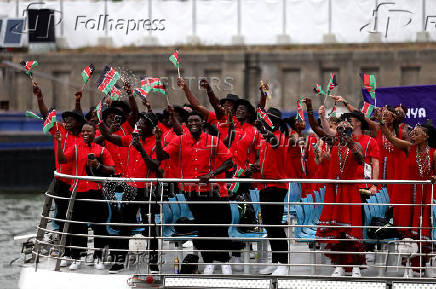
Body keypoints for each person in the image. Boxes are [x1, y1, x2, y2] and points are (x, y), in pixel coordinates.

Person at [155, 111, 234, 275]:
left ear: (203, 123)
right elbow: (162, 155)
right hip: (193, 192)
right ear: (186, 124)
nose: (193, 123)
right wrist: (157, 139)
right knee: (204, 228)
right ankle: (209, 261)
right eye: (190, 121)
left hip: (214, 192)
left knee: (219, 226)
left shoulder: (213, 140)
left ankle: (225, 260)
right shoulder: (180, 140)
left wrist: (211, 174)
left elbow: (229, 161)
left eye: (196, 120)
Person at [99, 112, 161, 273]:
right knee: (124, 225)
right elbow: (108, 136)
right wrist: (101, 121)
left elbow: (154, 166)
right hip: (130, 189)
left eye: (142, 124)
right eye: (138, 123)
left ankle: (153, 263)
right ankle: (119, 261)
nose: (139, 126)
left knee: (150, 227)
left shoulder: (157, 143)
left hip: (148, 190)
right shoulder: (132, 140)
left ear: (151, 127)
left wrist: (141, 150)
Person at [378, 121, 436, 275]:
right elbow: (391, 138)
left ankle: (421, 266)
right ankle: (408, 266)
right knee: (408, 233)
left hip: (425, 197)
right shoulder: (409, 147)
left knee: (422, 231)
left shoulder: (434, 153)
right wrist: (382, 124)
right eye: (413, 132)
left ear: (427, 137)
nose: (413, 135)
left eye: (417, 133)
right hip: (408, 196)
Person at [56, 123, 115, 270]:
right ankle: (77, 257)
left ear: (95, 133)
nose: (85, 133)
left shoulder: (101, 150)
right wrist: (58, 143)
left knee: (99, 227)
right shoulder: (75, 148)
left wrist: (98, 165)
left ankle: (98, 257)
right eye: (83, 131)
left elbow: (111, 169)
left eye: (88, 131)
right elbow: (62, 160)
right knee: (77, 226)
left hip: (96, 191)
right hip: (78, 192)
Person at [33, 82, 86, 235]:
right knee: (62, 214)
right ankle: (64, 245)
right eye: (66, 119)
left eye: (71, 120)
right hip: (62, 181)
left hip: (79, 182)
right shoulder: (60, 131)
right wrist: (40, 98)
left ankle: (77, 247)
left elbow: (80, 116)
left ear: (79, 123)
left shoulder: (84, 136)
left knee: (78, 216)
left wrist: (77, 102)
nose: (67, 122)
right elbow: (46, 116)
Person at [317, 120, 366, 277]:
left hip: (350, 192)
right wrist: (312, 111)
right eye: (340, 129)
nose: (343, 131)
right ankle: (339, 265)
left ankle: (356, 267)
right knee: (337, 231)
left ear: (352, 132)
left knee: (352, 230)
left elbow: (360, 160)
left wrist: (351, 144)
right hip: (334, 192)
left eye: (346, 129)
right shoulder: (333, 144)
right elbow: (316, 128)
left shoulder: (356, 146)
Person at [255, 107, 290, 276]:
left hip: (277, 186)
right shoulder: (264, 140)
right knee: (268, 225)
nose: (264, 121)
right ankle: (275, 261)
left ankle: (283, 263)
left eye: (267, 120)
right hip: (265, 185)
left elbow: (275, 144)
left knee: (275, 225)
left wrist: (262, 128)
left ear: (273, 123)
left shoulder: (280, 137)